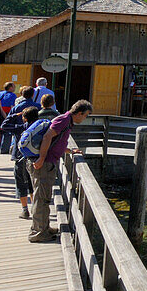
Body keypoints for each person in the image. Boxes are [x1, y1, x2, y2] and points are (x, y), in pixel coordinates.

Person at [28, 100, 92, 243]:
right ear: (79, 113)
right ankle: (38, 232)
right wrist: (42, 158)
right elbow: (47, 137)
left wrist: (70, 151)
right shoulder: (63, 120)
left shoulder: (66, 121)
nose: (85, 118)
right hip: (44, 164)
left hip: (47, 163)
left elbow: (56, 142)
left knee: (44, 197)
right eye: (86, 115)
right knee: (41, 198)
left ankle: (43, 227)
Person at [1, 104, 39, 219]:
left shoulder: (20, 127)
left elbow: (4, 126)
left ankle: (24, 210)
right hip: (34, 159)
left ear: (25, 118)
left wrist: (13, 115)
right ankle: (35, 208)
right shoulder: (39, 128)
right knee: (33, 183)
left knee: (21, 183)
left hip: (20, 158)